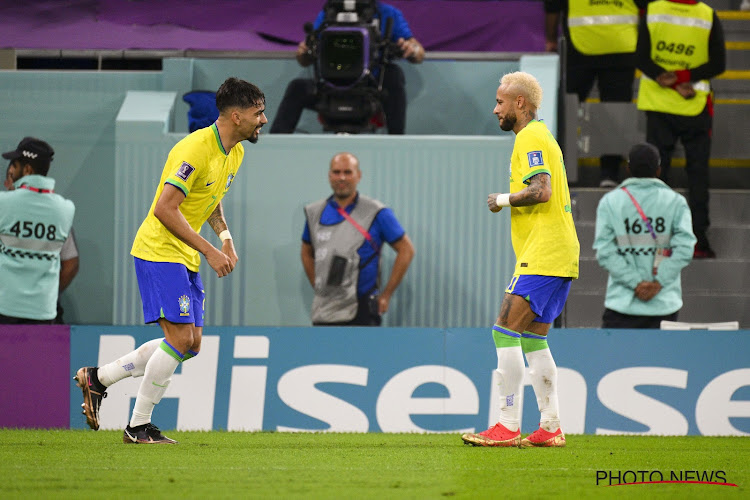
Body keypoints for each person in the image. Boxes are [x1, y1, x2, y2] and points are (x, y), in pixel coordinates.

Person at [74, 77, 267, 444]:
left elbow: (210, 199)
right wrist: (209, 251)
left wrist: (225, 239)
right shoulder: (194, 149)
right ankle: (138, 426)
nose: (264, 120)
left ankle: (99, 379)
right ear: (237, 116)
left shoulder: (235, 152)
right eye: (258, 113)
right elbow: (165, 209)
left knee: (191, 344)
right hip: (159, 251)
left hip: (184, 255)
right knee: (178, 339)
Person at [461, 72, 579, 448]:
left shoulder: (530, 137)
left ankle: (507, 425)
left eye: (500, 102)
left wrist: (503, 199)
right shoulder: (542, 137)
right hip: (559, 253)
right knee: (533, 341)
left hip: (544, 254)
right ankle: (551, 426)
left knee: (504, 330)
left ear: (520, 104)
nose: (495, 108)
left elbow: (540, 191)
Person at [635, 0, 726, 259]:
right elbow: (718, 63)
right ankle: (698, 241)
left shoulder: (653, 9)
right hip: (694, 104)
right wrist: (683, 79)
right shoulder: (707, 15)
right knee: (697, 174)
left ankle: (656, 241)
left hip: (658, 104)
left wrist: (668, 79)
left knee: (656, 177)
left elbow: (641, 57)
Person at [270, 1, 424, 135]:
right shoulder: (327, 13)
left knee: (394, 74)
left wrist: (412, 49)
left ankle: (396, 144)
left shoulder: (388, 14)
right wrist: (303, 52)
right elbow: (304, 60)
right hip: (331, 86)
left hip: (372, 87)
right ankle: (273, 146)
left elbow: (418, 53)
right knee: (297, 88)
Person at [301, 152, 415, 326]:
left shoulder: (377, 212)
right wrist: (318, 285)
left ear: (358, 175)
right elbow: (306, 251)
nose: (342, 178)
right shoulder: (314, 212)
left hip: (363, 310)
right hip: (324, 310)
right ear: (329, 175)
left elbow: (406, 250)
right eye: (337, 172)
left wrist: (386, 295)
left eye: (348, 172)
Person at [544, 0, 649, 187]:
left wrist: (551, 38)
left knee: (568, 112)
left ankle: (560, 169)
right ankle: (609, 174)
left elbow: (552, 7)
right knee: (615, 113)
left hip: (580, 47)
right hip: (621, 47)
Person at [593, 143, 696, 329]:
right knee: (662, 359)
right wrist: (658, 283)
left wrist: (636, 284)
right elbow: (685, 248)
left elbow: (605, 252)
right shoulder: (676, 202)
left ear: (628, 168)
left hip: (622, 304)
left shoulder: (610, 202)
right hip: (664, 304)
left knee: (617, 359)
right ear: (658, 169)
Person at [0, 138, 75, 324]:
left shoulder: (3, 203)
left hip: (4, 308)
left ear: (27, 170)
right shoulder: (65, 209)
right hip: (44, 311)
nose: (10, 170)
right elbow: (70, 262)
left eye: (14, 165)